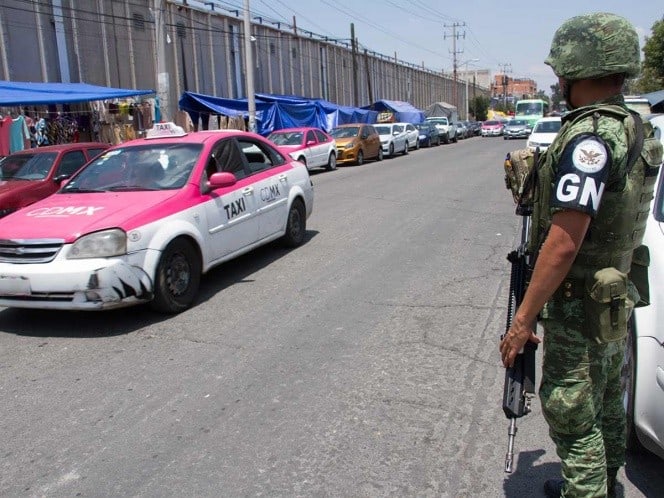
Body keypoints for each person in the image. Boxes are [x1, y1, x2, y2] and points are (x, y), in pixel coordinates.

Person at [499, 12, 663, 498]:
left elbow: (566, 239)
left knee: (570, 410)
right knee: (608, 399)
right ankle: (605, 486)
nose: (559, 82)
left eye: (563, 73)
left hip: (578, 300)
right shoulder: (634, 124)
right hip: (612, 294)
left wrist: (523, 319)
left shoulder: (590, 137)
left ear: (581, 69)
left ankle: (587, 490)